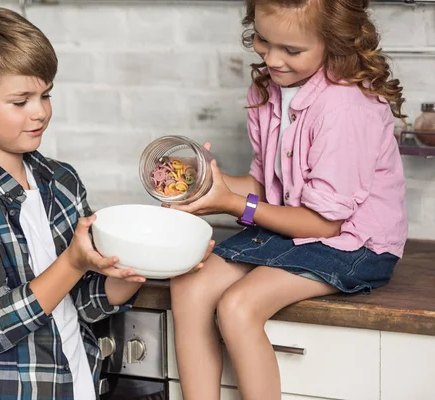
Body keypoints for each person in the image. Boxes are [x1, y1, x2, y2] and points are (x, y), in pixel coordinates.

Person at [169, 0, 408, 399]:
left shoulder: (346, 108)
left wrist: (233, 205)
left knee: (238, 307)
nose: (273, 60)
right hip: (294, 225)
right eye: (264, 40)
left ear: (335, 43)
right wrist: (207, 184)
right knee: (189, 284)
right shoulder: (268, 88)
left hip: (352, 243)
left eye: (292, 51)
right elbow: (269, 186)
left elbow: (323, 223)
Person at [0, 7, 148, 399]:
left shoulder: (61, 181)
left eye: (45, 95)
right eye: (20, 100)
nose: (40, 111)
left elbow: (79, 302)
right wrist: (74, 261)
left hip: (76, 387)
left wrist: (131, 267)